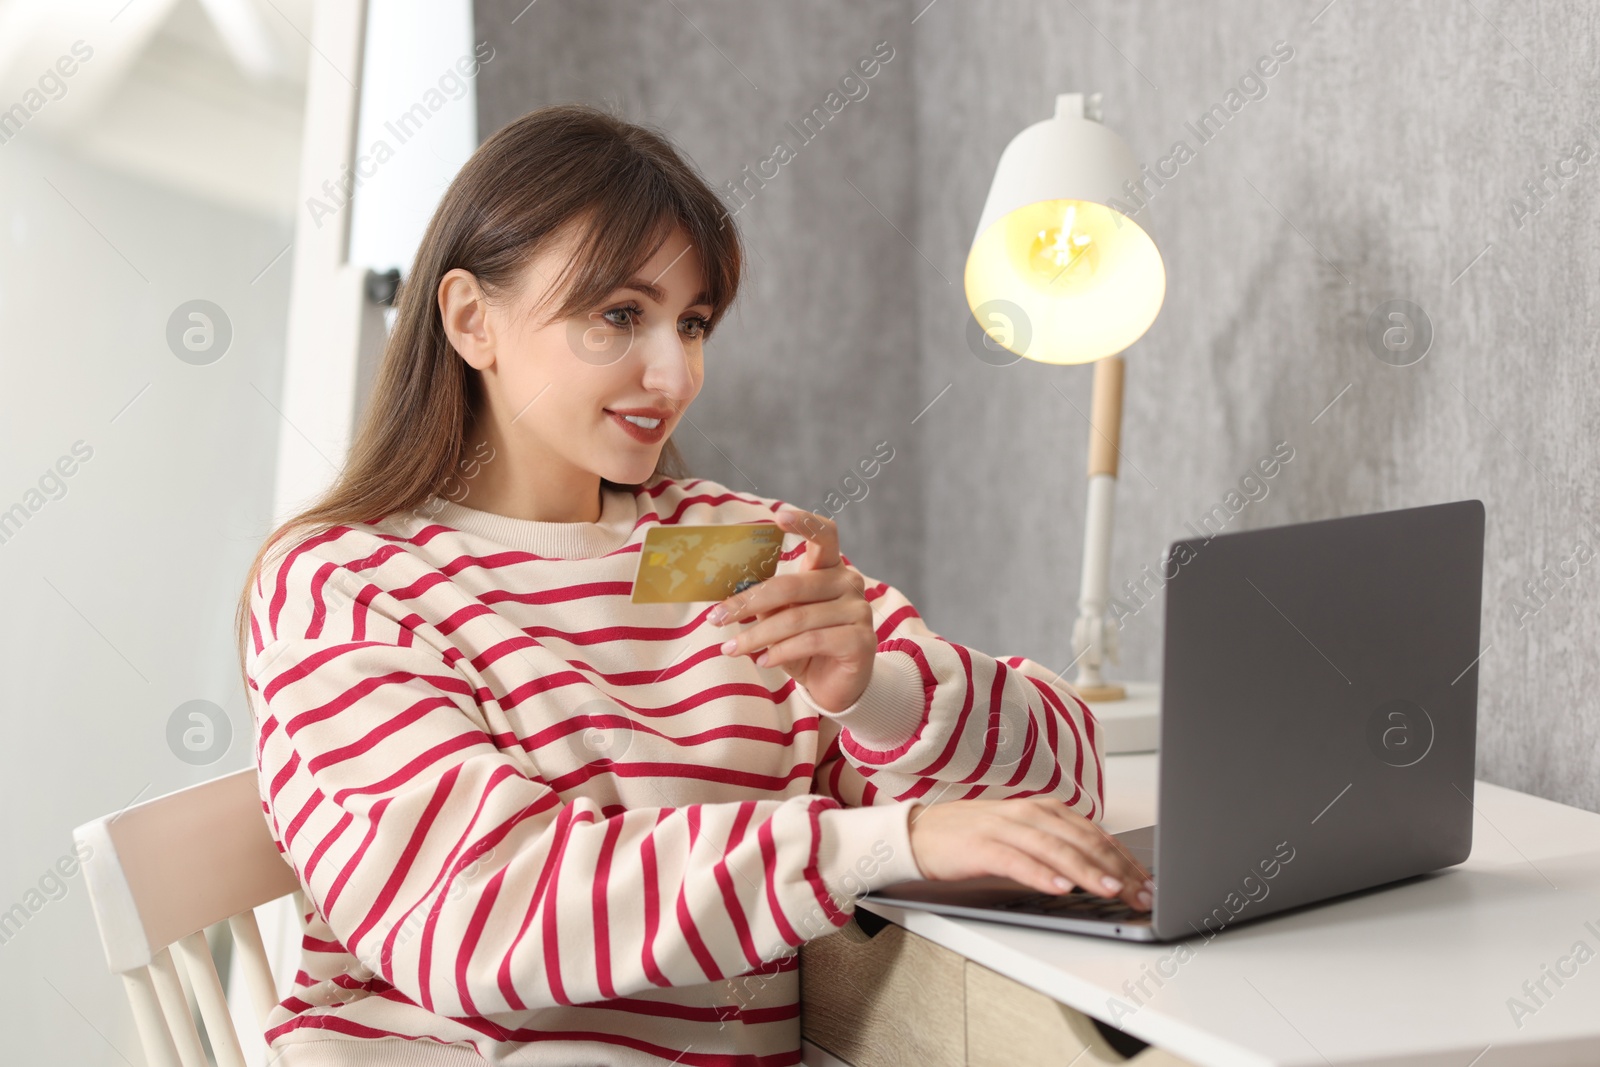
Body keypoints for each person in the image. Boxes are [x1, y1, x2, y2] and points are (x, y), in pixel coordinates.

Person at [236, 102, 1151, 1067]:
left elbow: (1063, 798)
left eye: (694, 322)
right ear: (473, 319)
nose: (673, 374)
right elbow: (481, 916)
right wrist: (884, 842)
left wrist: (875, 693)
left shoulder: (718, 549)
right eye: (620, 316)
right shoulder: (351, 582)